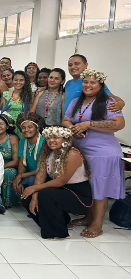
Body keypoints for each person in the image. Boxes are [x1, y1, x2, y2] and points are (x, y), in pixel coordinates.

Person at [63, 69, 125, 238]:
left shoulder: (109, 102)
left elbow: (119, 123)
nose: (88, 85)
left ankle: (97, 223)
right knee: (87, 185)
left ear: (101, 85)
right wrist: (72, 128)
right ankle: (88, 216)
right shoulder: (77, 101)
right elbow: (66, 119)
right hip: (81, 148)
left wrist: (89, 124)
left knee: (99, 187)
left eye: (92, 82)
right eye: (85, 82)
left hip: (102, 150)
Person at [22, 126, 92, 240]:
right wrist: (34, 195)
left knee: (45, 194)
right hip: (60, 191)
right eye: (48, 138)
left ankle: (58, 232)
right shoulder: (48, 153)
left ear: (65, 139)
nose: (51, 141)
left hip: (79, 196)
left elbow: (60, 182)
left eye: (56, 137)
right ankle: (61, 221)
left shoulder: (72, 153)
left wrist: (35, 188)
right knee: (27, 196)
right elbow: (40, 176)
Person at [13, 112, 46, 195]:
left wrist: (21, 176)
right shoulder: (22, 142)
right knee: (16, 183)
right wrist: (19, 179)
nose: (26, 130)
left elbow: (43, 169)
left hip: (45, 177)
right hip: (30, 175)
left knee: (31, 180)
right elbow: (21, 163)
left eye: (30, 127)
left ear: (37, 128)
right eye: (23, 128)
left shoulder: (44, 142)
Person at [0, 70, 33, 139]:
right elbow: (2, 113)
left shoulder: (30, 95)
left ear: (25, 82)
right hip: (9, 126)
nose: (18, 82)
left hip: (23, 127)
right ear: (12, 80)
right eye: (16, 80)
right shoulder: (5, 94)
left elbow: (31, 113)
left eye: (21, 80)